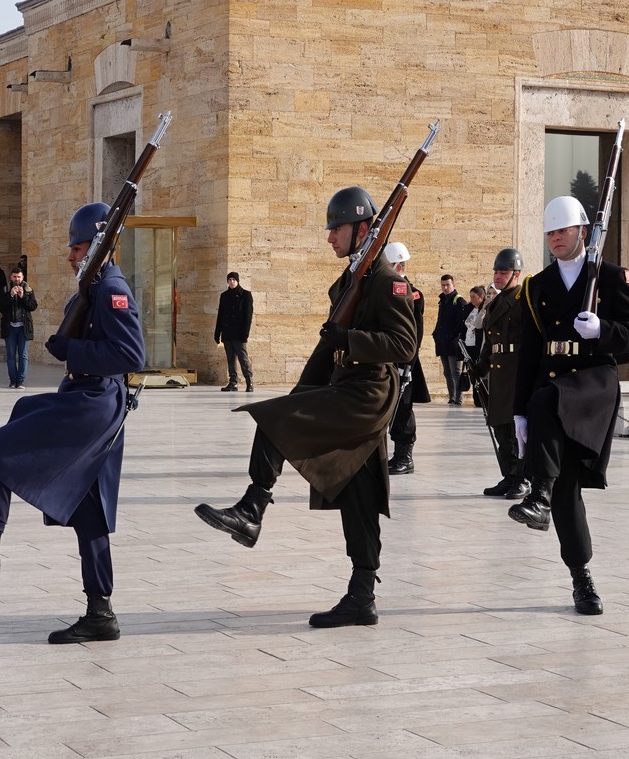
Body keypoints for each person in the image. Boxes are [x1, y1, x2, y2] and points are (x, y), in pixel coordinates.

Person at [194, 186, 417, 628]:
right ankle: (361, 597)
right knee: (359, 494)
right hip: (348, 389)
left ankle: (253, 508)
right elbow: (324, 350)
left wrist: (350, 341)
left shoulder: (387, 280)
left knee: (274, 421)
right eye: (329, 228)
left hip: (368, 394)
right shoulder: (352, 280)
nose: (329, 236)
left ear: (363, 229)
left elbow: (405, 346)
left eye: (337, 228)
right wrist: (299, 392)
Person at [0, 202, 145, 644]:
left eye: (78, 247)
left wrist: (72, 351)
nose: (69, 255)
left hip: (95, 402)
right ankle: (100, 613)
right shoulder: (94, 287)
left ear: (100, 247)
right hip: (88, 398)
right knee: (90, 511)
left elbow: (132, 356)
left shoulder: (111, 289)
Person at [507, 196, 629, 616]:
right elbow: (528, 354)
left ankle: (538, 492)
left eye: (562, 231)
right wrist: (518, 411)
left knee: (546, 399)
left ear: (582, 232)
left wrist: (603, 329)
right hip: (553, 385)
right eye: (550, 232)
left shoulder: (607, 277)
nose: (555, 239)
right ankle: (582, 580)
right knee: (567, 488)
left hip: (593, 382)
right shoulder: (535, 286)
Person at [479, 248, 529, 500]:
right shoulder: (496, 302)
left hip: (518, 370)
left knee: (516, 430)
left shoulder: (524, 299)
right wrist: (480, 365)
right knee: (500, 427)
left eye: (503, 272)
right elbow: (490, 340)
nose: (498, 276)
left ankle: (523, 478)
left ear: (516, 274)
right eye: (496, 272)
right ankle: (509, 476)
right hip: (499, 372)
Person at [383, 242, 429, 475]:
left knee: (403, 409)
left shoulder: (412, 293)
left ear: (399, 266)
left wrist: (407, 365)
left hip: (404, 362)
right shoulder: (386, 289)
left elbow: (415, 334)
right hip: (388, 361)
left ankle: (404, 456)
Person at [432, 274, 470, 404]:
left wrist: (453, 336)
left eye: (448, 285)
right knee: (447, 372)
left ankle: (458, 398)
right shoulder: (442, 300)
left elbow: (461, 323)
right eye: (443, 285)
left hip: (453, 343)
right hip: (443, 342)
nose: (445, 287)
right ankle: (452, 397)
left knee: (456, 372)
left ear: (454, 285)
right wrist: (436, 334)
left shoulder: (459, 301)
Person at [214, 271, 254, 392]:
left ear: (237, 281)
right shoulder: (224, 296)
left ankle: (249, 381)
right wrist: (217, 332)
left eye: (233, 280)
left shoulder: (246, 295)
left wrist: (245, 333)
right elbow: (220, 315)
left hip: (239, 333)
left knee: (243, 358)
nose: (231, 282)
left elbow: (248, 316)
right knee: (230, 359)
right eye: (230, 280)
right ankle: (233, 382)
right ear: (227, 281)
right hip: (227, 333)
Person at [0, 269, 37, 390]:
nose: (17, 279)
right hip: (10, 327)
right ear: (11, 277)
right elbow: (1, 306)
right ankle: (12, 380)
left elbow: (33, 306)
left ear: (23, 277)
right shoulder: (5, 289)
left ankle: (20, 380)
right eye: (15, 277)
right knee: (11, 355)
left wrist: (22, 297)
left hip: (23, 327)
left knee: (23, 355)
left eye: (19, 277)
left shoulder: (28, 290)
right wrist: (10, 295)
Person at [462, 285, 487, 407]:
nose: (471, 299)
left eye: (474, 297)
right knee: (472, 371)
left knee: (479, 372)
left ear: (481, 297)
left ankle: (481, 398)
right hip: (468, 344)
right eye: (470, 297)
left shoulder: (484, 310)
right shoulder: (469, 308)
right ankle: (475, 398)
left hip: (479, 345)